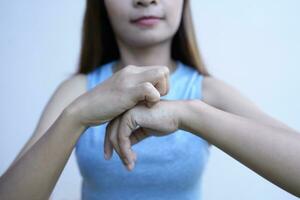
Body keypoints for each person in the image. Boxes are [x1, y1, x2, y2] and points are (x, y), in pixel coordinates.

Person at [0, 0, 299, 199]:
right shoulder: (77, 92)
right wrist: (77, 115)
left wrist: (190, 115)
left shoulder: (208, 92)